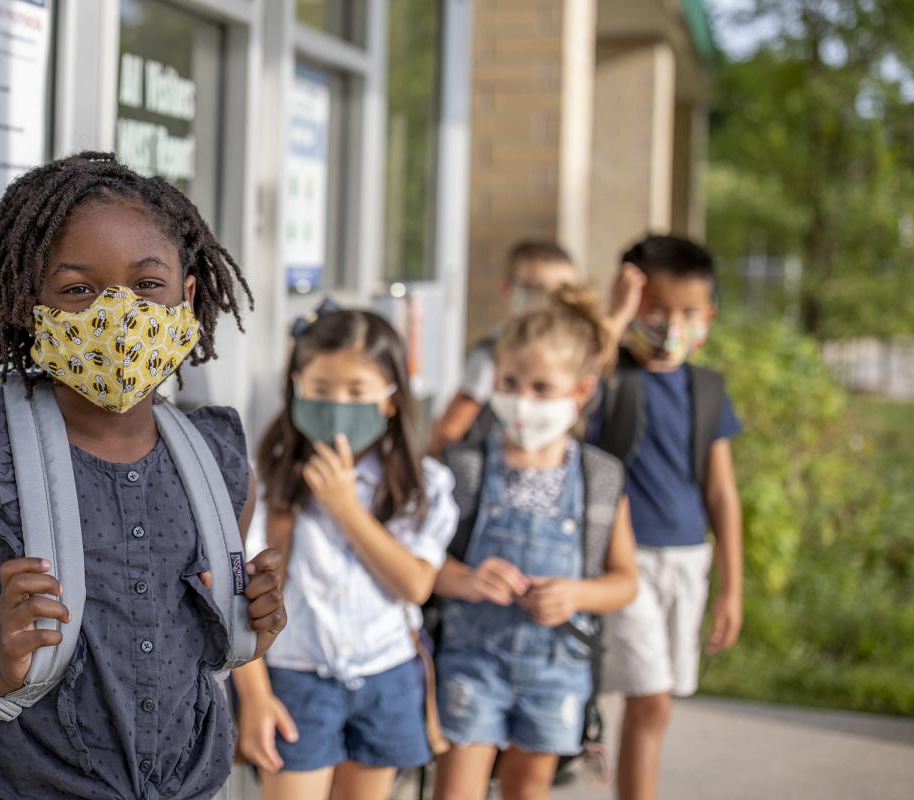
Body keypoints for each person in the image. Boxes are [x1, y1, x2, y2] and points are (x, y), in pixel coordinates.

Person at [0, 153, 287, 800]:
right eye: (77, 290)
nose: (117, 315)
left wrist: (248, 627)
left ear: (189, 295)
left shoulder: (218, 464)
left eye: (147, 285)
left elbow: (183, 649)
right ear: (28, 308)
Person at [234, 308, 460, 800]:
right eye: (320, 389)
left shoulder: (422, 486)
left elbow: (415, 584)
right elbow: (240, 600)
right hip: (295, 679)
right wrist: (256, 697)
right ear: (295, 387)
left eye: (357, 392)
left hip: (387, 676)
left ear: (391, 400)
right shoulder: (265, 482)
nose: (337, 405)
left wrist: (345, 507)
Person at [431, 288, 638, 800]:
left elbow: (625, 582)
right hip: (471, 664)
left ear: (581, 391)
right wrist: (467, 579)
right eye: (510, 383)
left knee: (529, 790)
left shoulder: (600, 479)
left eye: (542, 388)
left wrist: (577, 595)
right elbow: (421, 565)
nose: (523, 401)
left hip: (556, 669)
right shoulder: (467, 469)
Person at [588, 234, 744, 800]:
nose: (670, 324)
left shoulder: (706, 389)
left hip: (687, 560)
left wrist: (732, 588)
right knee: (649, 695)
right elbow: (576, 378)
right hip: (622, 563)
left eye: (688, 312)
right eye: (655, 308)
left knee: (654, 704)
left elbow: (723, 494)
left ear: (710, 316)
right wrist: (613, 315)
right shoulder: (609, 378)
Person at [430, 241, 645, 456]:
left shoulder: (568, 348)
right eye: (536, 290)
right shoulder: (492, 353)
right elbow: (451, 429)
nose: (549, 304)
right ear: (508, 290)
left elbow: (593, 355)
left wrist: (620, 314)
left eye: (563, 293)